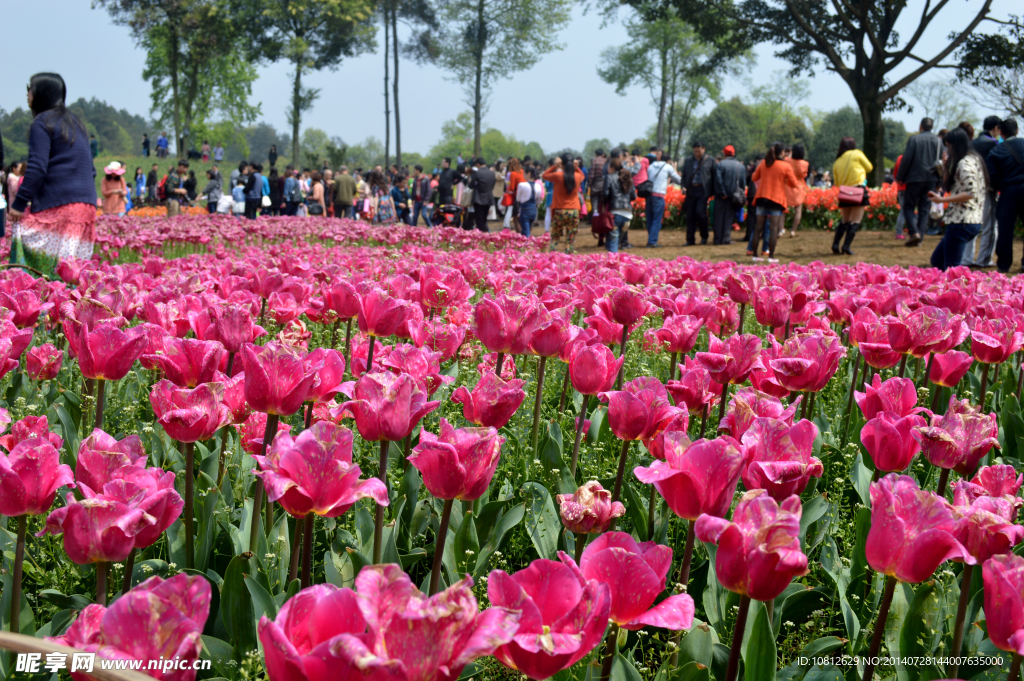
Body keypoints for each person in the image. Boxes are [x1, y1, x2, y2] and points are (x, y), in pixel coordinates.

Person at [7, 73, 98, 274]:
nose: (27, 93)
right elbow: (91, 170)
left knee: (21, 232)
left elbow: (37, 167)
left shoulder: (42, 122)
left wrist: (19, 203)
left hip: (60, 206)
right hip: (86, 207)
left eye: (29, 88)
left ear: (41, 93)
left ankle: (27, 293)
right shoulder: (76, 123)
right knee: (70, 272)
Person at [927, 127, 988, 270]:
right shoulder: (975, 160)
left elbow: (970, 193)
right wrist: (945, 165)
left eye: (949, 145)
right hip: (971, 220)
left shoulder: (964, 164)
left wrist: (942, 201)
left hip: (962, 221)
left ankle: (955, 291)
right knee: (938, 260)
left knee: (951, 269)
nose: (948, 149)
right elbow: (951, 187)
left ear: (956, 145)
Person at [751, 141, 802, 262]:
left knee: (758, 228)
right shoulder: (785, 166)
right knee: (774, 229)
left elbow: (754, 178)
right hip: (776, 200)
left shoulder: (764, 163)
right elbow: (794, 183)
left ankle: (754, 255)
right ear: (782, 152)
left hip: (761, 198)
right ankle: (771, 256)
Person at [896, 117, 944, 247]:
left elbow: (906, 159)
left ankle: (914, 233)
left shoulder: (914, 139)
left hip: (914, 178)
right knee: (924, 208)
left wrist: (900, 176)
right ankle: (920, 237)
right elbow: (942, 161)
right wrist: (940, 180)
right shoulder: (938, 141)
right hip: (931, 178)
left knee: (909, 205)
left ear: (920, 126)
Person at [962, 116, 1002, 267]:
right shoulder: (994, 144)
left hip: (970, 190)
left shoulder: (971, 144)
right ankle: (984, 259)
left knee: (971, 223)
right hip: (988, 189)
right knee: (990, 226)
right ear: (996, 128)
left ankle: (966, 258)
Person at [987, 118, 1024, 273]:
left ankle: (1004, 264)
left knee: (1005, 229)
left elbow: (992, 177)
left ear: (1001, 132)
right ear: (1017, 131)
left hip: (1008, 192)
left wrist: (999, 187)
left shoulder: (997, 150)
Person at [830, 136, 873, 255]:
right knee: (855, 220)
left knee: (845, 219)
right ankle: (846, 246)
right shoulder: (857, 153)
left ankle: (835, 244)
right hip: (858, 190)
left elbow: (837, 183)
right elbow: (869, 167)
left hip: (844, 192)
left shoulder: (837, 161)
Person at [542, 154, 586, 252]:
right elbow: (583, 176)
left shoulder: (557, 176)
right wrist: (577, 167)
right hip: (574, 210)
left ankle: (552, 258)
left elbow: (544, 175)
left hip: (559, 210)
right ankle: (568, 257)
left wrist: (555, 166)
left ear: (562, 164)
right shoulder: (578, 176)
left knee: (555, 237)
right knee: (570, 239)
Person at [680, 141, 716, 246]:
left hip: (703, 191)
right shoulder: (688, 160)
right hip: (691, 190)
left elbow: (714, 177)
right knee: (690, 215)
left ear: (704, 149)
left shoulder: (710, 160)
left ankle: (704, 236)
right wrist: (683, 187)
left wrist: (713, 191)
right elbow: (684, 176)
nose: (697, 154)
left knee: (701, 213)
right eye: (695, 151)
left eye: (699, 151)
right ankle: (690, 239)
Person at [645, 153, 681, 248]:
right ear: (668, 160)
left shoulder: (651, 166)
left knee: (650, 218)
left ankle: (650, 238)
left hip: (649, 195)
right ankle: (652, 241)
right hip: (659, 195)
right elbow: (677, 179)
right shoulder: (668, 166)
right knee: (657, 219)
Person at [712, 145, 745, 245]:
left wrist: (722, 193)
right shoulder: (740, 166)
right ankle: (726, 239)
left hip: (721, 196)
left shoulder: (720, 165)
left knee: (718, 218)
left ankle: (717, 239)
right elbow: (743, 183)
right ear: (734, 153)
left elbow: (718, 180)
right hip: (734, 196)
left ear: (724, 154)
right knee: (729, 218)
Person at [604, 165, 636, 253]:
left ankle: (612, 263)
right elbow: (634, 196)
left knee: (613, 241)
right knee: (617, 241)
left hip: (615, 213)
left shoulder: (611, 178)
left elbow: (605, 195)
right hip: (627, 216)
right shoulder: (630, 180)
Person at [785, 144, 809, 237]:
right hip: (798, 187)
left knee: (783, 209)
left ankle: (780, 230)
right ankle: (793, 231)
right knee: (798, 210)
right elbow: (804, 176)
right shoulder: (805, 164)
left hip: (787, 186)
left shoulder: (787, 160)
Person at [469, 158, 496, 232]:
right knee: (484, 219)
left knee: (479, 219)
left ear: (478, 164)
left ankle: (482, 234)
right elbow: (493, 185)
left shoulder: (477, 173)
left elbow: (471, 185)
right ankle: (484, 233)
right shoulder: (492, 173)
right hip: (489, 197)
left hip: (478, 198)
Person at [516, 167, 539, 237]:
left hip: (525, 211)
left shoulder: (521, 185)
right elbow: (538, 200)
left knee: (526, 232)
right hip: (534, 210)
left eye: (524, 173)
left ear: (528, 174)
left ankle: (528, 245)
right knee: (526, 230)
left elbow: (518, 199)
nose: (523, 175)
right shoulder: (538, 185)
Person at [589, 149, 607, 221]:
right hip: (605, 183)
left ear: (596, 154)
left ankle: (595, 219)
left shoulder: (594, 161)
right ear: (603, 154)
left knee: (595, 202)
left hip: (596, 183)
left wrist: (590, 184)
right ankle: (603, 219)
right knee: (603, 203)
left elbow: (592, 174)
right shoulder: (606, 161)